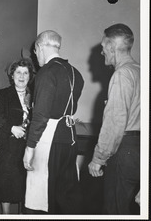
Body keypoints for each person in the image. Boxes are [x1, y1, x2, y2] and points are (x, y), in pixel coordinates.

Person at [23, 30, 84, 214]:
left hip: (49, 140)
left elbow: (41, 115)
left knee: (43, 199)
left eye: (35, 51)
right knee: (64, 197)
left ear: (40, 47)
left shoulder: (47, 72)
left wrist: (29, 148)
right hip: (69, 139)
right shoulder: (76, 73)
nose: (36, 56)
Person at [88, 23, 140, 214]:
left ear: (111, 47)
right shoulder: (140, 71)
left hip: (123, 151)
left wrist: (98, 158)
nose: (102, 52)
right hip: (140, 152)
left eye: (103, 47)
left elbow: (115, 123)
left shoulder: (121, 74)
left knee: (116, 210)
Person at [0, 58, 34, 214]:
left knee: (27, 186)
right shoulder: (2, 95)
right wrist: (11, 128)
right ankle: (6, 215)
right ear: (12, 75)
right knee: (6, 185)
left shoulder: (36, 96)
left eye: (25, 73)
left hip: (30, 147)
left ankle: (23, 214)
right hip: (8, 147)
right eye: (18, 72)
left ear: (30, 76)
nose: (21, 76)